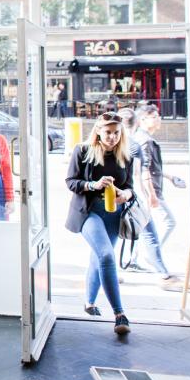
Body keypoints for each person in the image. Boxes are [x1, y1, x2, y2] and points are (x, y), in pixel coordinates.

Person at [65, 111, 135, 335]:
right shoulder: (83, 151)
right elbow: (71, 182)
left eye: (116, 133)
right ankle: (119, 314)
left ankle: (89, 302)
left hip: (115, 214)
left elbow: (131, 187)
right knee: (106, 255)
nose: (112, 137)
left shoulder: (126, 155)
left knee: (98, 256)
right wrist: (93, 185)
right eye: (108, 132)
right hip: (89, 212)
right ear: (97, 131)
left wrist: (126, 194)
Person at [117, 109, 183, 291]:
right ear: (138, 121)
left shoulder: (118, 144)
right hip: (133, 198)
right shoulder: (135, 144)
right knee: (150, 234)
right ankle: (162, 274)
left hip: (120, 197)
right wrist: (150, 196)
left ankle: (115, 270)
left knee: (116, 236)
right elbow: (143, 173)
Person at [134, 105, 183, 248]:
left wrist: (169, 177)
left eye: (158, 116)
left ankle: (135, 257)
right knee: (168, 222)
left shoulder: (142, 137)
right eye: (154, 117)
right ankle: (152, 253)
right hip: (148, 189)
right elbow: (145, 168)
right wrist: (152, 195)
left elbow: (150, 167)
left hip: (144, 189)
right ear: (143, 119)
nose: (158, 119)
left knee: (142, 223)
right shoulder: (145, 140)